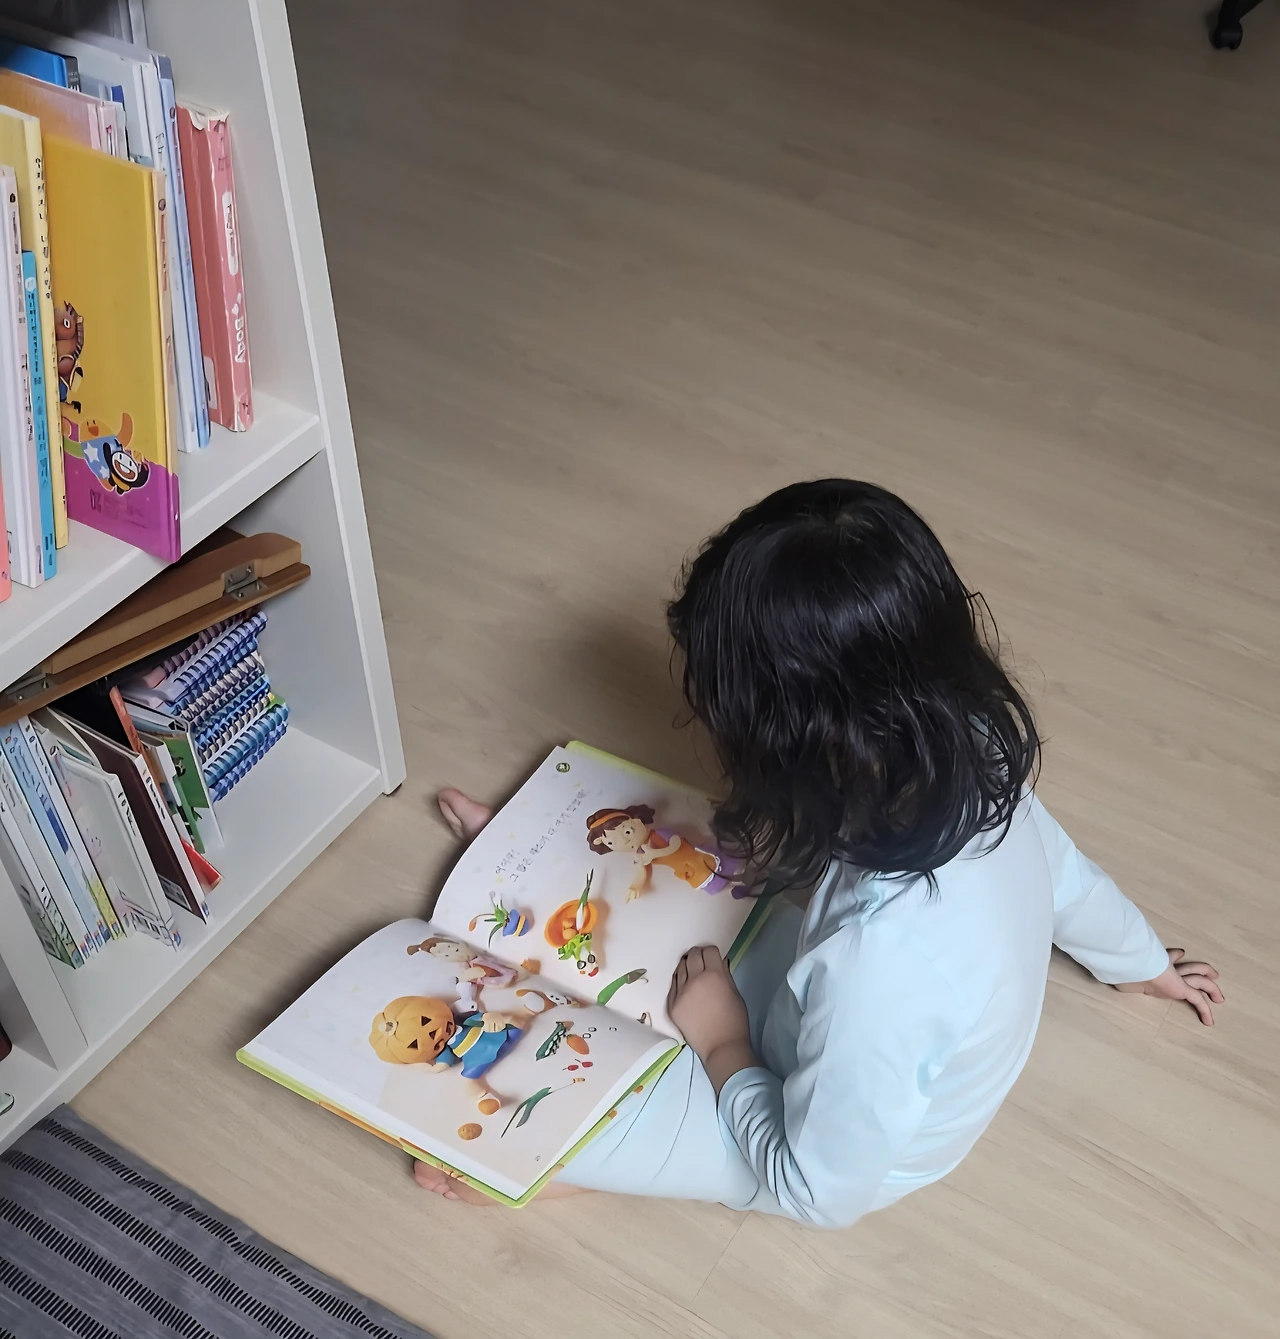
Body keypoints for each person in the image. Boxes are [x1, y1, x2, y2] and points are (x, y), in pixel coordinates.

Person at [420, 480, 1222, 1225]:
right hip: (850, 1039)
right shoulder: (964, 742)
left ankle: (585, 1164)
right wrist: (1141, 961)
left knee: (539, 1093)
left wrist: (724, 1044)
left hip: (832, 1146)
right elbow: (1069, 878)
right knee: (664, 908)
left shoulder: (882, 963)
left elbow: (816, 1189)